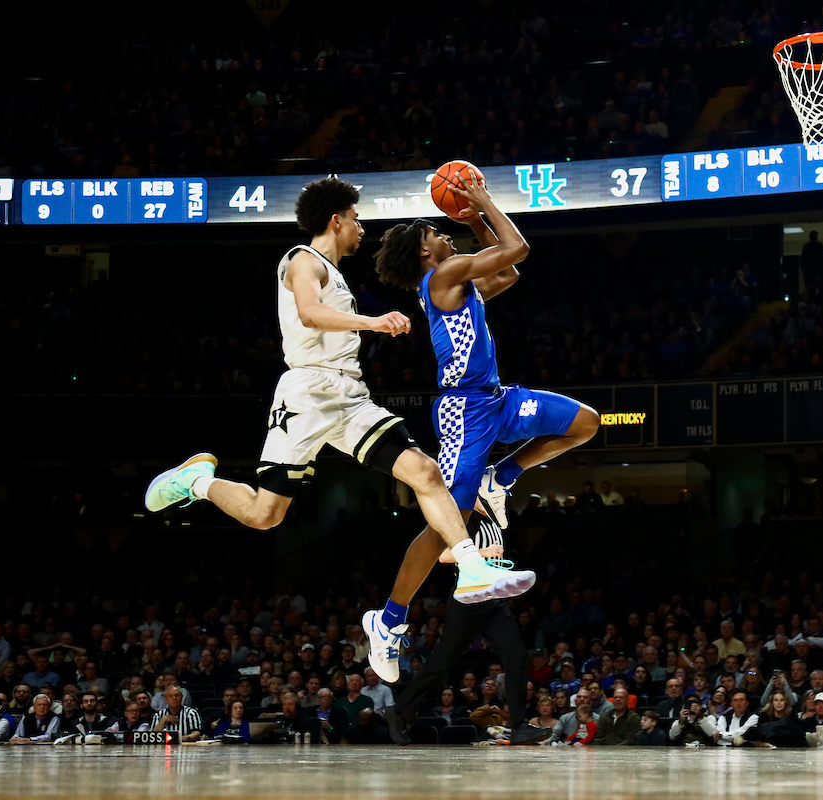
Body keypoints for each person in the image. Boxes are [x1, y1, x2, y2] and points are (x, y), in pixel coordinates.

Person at [143, 177, 535, 685]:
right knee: (265, 516)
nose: (360, 227)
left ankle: (468, 564)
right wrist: (373, 323)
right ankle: (197, 481)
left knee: (424, 472)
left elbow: (507, 273)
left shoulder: (337, 273)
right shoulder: (302, 259)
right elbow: (308, 313)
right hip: (305, 395)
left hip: (348, 396)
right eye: (355, 218)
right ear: (337, 219)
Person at [372, 173, 599, 580]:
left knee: (585, 422)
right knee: (449, 523)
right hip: (465, 408)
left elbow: (508, 273)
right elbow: (518, 248)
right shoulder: (443, 276)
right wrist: (484, 203)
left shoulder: (457, 282)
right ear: (424, 249)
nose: (447, 237)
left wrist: (476, 220)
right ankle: (396, 610)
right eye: (438, 233)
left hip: (497, 398)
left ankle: (501, 477)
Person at [386, 507, 552, 746]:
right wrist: (484, 552)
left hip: (493, 600)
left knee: (517, 655)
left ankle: (518, 726)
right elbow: (443, 556)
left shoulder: (493, 519)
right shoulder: (466, 519)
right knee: (441, 662)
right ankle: (400, 711)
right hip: (467, 601)